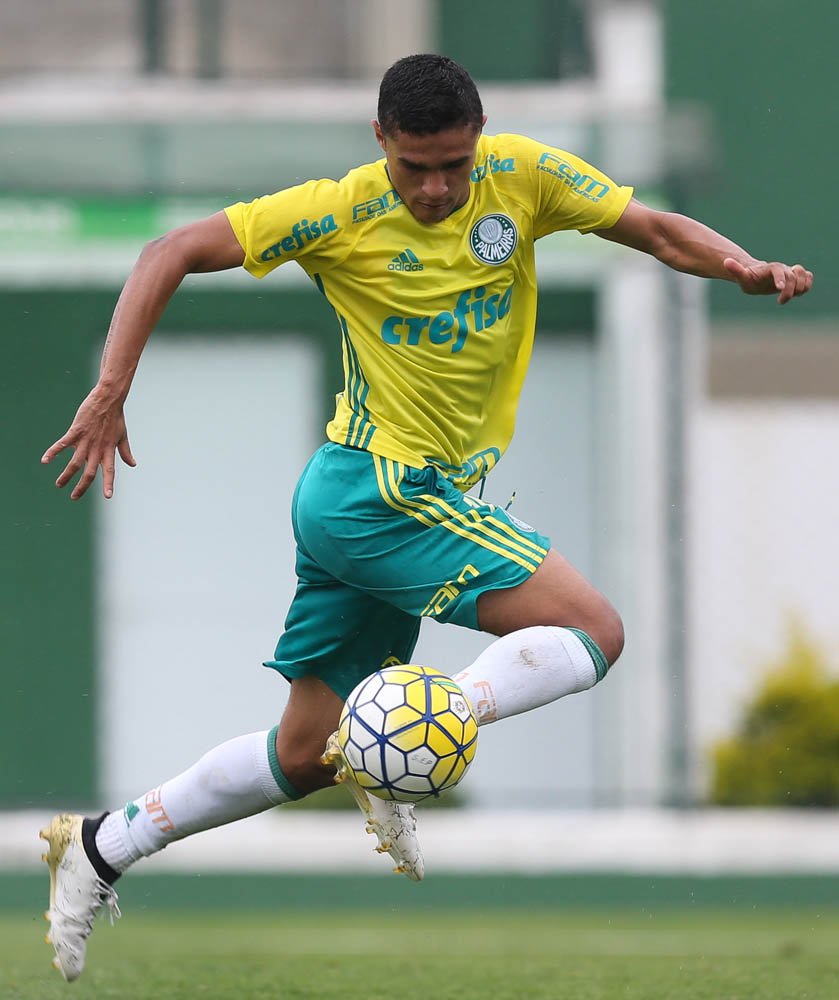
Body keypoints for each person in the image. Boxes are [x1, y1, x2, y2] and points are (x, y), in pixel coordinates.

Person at [38, 54, 813, 982]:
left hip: (364, 499)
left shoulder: (522, 177)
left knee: (303, 754)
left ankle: (100, 847)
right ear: (380, 143)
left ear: (477, 138)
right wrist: (112, 389)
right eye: (415, 167)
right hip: (382, 493)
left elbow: (648, 227)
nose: (437, 187)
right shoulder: (335, 210)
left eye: (453, 163)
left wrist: (734, 264)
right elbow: (167, 252)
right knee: (593, 630)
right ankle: (405, 725)